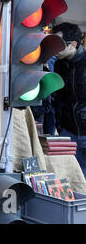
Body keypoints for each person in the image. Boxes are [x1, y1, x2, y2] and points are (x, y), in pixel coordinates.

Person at [51, 22, 86, 176]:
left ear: (73, 44)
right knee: (74, 179)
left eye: (59, 44)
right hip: (68, 132)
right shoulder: (59, 65)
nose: (54, 49)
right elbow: (58, 99)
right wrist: (60, 126)